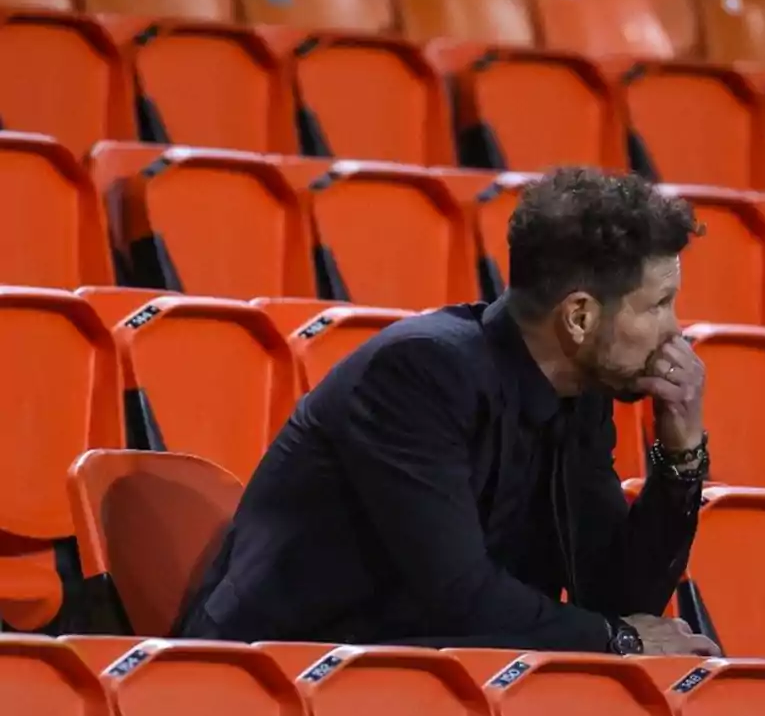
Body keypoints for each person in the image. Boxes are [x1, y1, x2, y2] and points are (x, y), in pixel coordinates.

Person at [174, 167, 720, 656]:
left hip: (421, 682)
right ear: (579, 316)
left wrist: (682, 452)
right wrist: (616, 640)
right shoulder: (419, 372)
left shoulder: (580, 396)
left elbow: (616, 596)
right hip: (283, 673)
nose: (674, 330)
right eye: (658, 305)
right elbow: (457, 592)